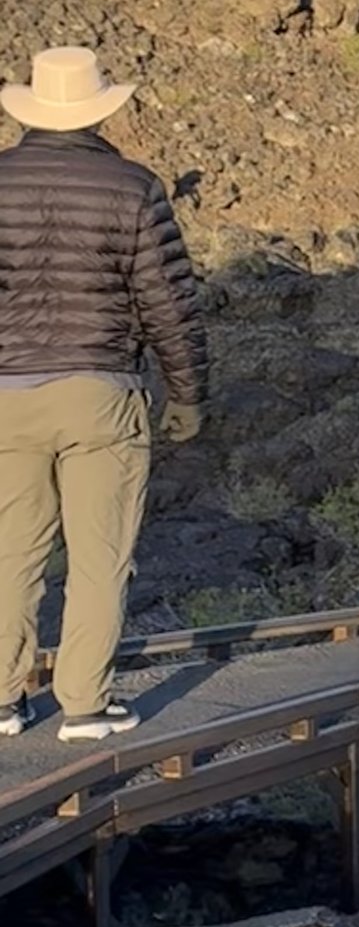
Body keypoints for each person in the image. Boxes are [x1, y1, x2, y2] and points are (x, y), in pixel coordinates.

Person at [0, 45, 206, 741]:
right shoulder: (133, 187)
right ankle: (84, 705)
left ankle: (2, 698)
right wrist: (187, 392)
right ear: (97, 109)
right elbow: (168, 302)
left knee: (10, 553)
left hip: (7, 396)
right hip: (101, 392)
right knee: (98, 554)